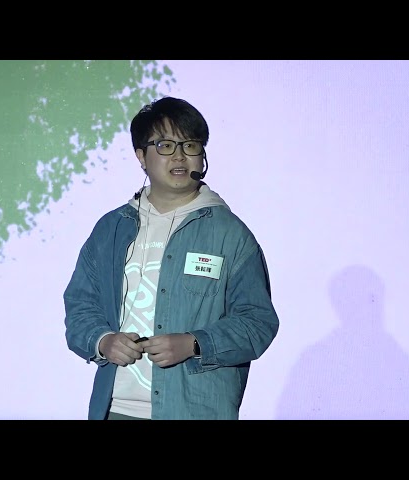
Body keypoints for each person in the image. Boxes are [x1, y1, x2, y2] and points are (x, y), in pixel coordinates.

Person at [63, 96, 280, 420]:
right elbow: (81, 305)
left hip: (195, 411)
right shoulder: (112, 228)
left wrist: (195, 343)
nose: (179, 156)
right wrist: (103, 341)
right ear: (142, 156)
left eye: (190, 145)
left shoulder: (230, 234)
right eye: (165, 145)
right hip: (115, 409)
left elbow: (257, 323)